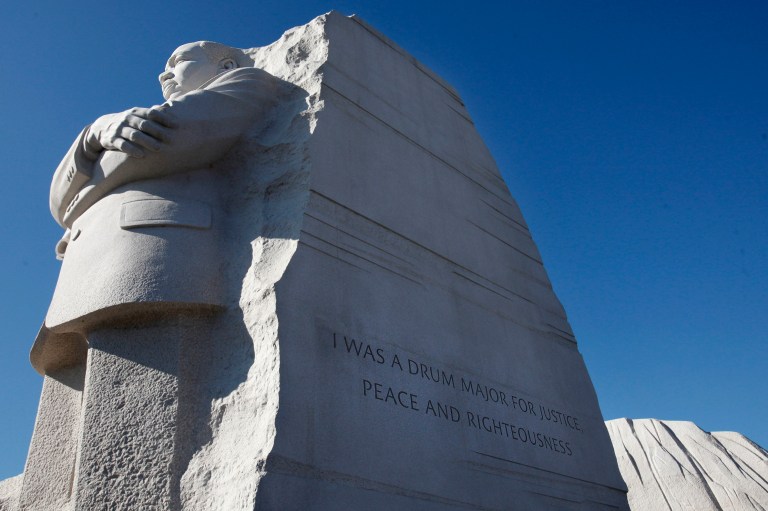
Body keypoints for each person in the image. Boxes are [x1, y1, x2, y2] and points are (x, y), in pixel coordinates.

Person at [33, 42, 281, 371]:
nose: (164, 74)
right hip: (86, 268)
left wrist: (77, 200)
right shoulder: (118, 125)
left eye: (179, 61)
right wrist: (95, 132)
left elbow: (161, 143)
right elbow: (57, 202)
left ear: (225, 66)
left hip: (151, 258)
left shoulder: (248, 81)